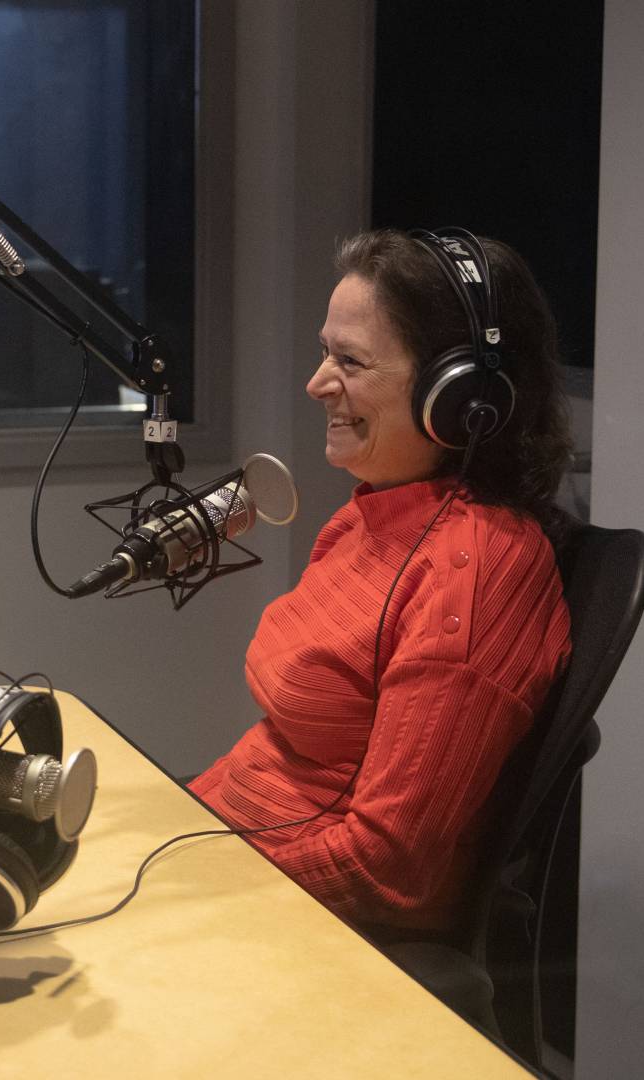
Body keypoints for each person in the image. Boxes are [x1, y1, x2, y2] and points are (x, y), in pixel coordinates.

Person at [189, 228, 575, 937]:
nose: (316, 383)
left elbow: (385, 868)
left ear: (460, 395)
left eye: (350, 361)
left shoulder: (481, 570)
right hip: (233, 863)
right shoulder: (371, 514)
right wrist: (175, 820)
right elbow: (278, 754)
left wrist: (197, 886)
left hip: (315, 924)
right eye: (324, 351)